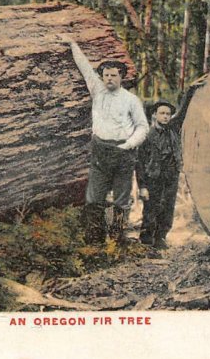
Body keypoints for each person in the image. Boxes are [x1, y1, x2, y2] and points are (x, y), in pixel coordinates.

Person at [60, 34, 149, 245]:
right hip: (100, 150)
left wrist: (128, 145)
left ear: (121, 77)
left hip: (123, 153)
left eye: (114, 75)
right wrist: (73, 44)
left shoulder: (131, 100)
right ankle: (94, 242)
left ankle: (116, 242)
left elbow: (143, 127)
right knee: (94, 198)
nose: (109, 78)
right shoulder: (97, 91)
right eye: (106, 75)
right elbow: (84, 68)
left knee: (121, 200)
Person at [136, 83, 202, 249]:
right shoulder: (146, 136)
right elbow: (139, 163)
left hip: (170, 176)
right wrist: (142, 186)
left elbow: (182, 114)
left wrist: (191, 91)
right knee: (151, 209)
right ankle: (146, 240)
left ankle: (161, 238)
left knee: (167, 208)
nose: (165, 116)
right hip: (153, 177)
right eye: (162, 113)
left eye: (168, 114)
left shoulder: (173, 130)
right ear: (154, 115)